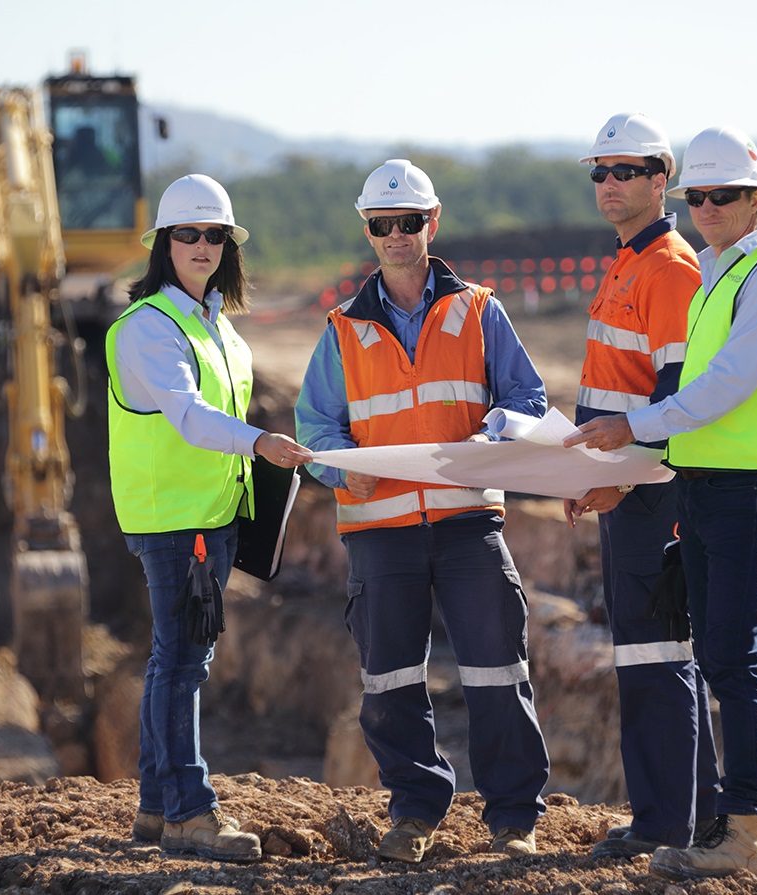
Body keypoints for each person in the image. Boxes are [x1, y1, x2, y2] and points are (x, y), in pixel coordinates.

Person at [565, 126, 757, 880]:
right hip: (706, 482)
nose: (709, 207)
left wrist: (632, 428)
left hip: (746, 486)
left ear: (756, 197)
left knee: (733, 658)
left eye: (725, 195)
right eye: (701, 197)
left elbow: (722, 387)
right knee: (723, 656)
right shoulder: (716, 273)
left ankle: (739, 830)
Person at [295, 159, 550, 862]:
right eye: (384, 224)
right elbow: (316, 427)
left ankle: (513, 819)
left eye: (410, 221)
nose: (398, 234)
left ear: (431, 223)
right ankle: (414, 810)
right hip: (380, 532)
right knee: (391, 679)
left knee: (499, 667)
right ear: (368, 231)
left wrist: (491, 433)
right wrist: (342, 474)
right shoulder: (342, 330)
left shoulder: (477, 309)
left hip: (468, 523)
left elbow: (528, 399)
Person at [105, 174, 313, 863]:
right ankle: (190, 811)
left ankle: (157, 806)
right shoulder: (146, 328)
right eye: (188, 233)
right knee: (184, 661)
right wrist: (258, 442)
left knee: (175, 656)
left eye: (213, 234)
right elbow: (190, 417)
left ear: (228, 245)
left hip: (213, 514)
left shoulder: (214, 324)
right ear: (164, 243)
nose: (201, 245)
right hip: (174, 519)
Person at [565, 112, 721, 859]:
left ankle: (670, 824)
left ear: (661, 180)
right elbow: (615, 390)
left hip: (650, 489)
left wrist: (620, 482)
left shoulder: (668, 268)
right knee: (654, 655)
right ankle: (692, 814)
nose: (609, 184)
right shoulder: (627, 260)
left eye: (624, 171)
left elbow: (671, 399)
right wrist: (581, 472)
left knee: (656, 657)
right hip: (622, 486)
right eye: (599, 171)